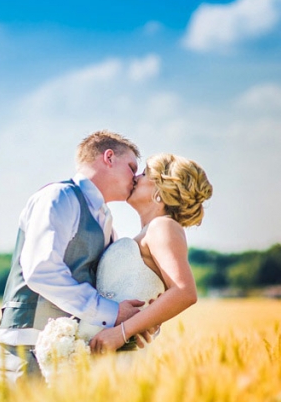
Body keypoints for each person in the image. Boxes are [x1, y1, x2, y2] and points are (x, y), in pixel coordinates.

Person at [0, 130, 154, 384]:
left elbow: (108, 286)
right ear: (109, 157)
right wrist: (113, 314)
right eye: (132, 167)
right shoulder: (58, 197)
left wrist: (132, 327)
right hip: (27, 346)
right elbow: (41, 270)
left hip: (73, 352)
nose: (136, 178)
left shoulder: (107, 222)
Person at [88, 152, 213, 355]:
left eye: (145, 173)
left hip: (117, 347)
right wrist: (147, 322)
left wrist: (121, 333)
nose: (135, 177)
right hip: (106, 347)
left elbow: (184, 292)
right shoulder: (150, 231)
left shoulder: (163, 226)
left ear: (160, 189)